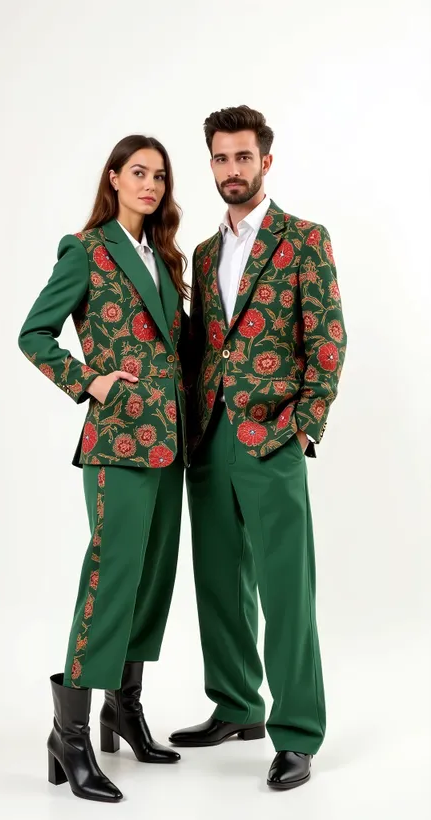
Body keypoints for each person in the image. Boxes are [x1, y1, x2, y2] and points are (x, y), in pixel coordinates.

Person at [170, 106, 347, 791]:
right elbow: (202, 344)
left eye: (243, 157)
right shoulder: (204, 253)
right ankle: (237, 705)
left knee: (285, 589)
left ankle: (297, 732)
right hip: (209, 435)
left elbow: (327, 338)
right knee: (219, 580)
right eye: (220, 158)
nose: (231, 170)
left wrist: (306, 422)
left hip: (273, 434)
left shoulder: (304, 239)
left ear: (265, 162)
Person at [18, 134, 189, 803]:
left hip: (171, 443)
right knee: (110, 578)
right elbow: (34, 333)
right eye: (138, 172)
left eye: (160, 176)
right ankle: (70, 736)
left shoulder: (165, 259)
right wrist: (88, 379)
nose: (150, 185)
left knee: (151, 582)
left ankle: (125, 708)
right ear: (113, 178)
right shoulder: (86, 250)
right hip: (116, 442)